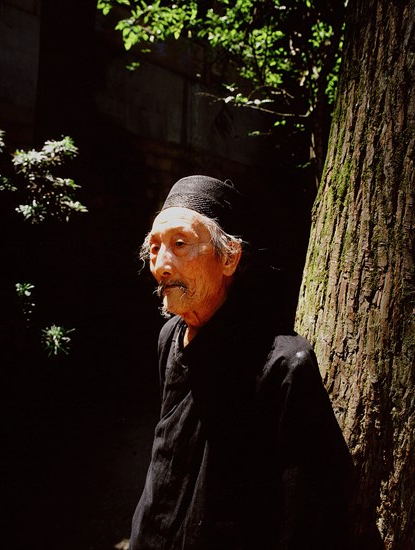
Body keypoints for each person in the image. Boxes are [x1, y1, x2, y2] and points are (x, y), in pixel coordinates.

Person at [130, 175, 355, 550]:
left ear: (230, 256)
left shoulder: (281, 363)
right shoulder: (169, 336)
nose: (161, 266)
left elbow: (306, 512)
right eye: (154, 249)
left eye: (180, 244)